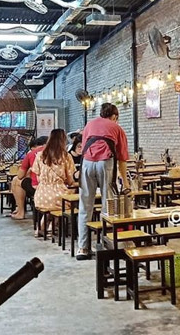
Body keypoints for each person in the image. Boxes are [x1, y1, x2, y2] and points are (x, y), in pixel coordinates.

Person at [76, 103, 129, 260]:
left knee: (85, 206)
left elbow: (83, 147)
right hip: (105, 163)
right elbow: (122, 159)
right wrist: (125, 182)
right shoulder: (116, 128)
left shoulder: (89, 124)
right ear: (114, 116)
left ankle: (82, 248)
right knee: (108, 205)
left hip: (86, 163)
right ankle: (107, 244)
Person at [32, 129, 75, 213]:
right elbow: (70, 180)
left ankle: (46, 221)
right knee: (70, 203)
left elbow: (38, 178)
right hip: (59, 196)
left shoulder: (40, 155)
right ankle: (53, 222)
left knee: (50, 209)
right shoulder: (66, 156)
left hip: (41, 196)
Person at [9, 136, 47, 219]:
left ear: (36, 145)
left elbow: (20, 176)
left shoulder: (32, 154)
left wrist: (29, 169)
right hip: (60, 189)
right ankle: (19, 209)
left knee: (16, 180)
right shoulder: (61, 153)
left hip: (39, 188)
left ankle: (20, 212)